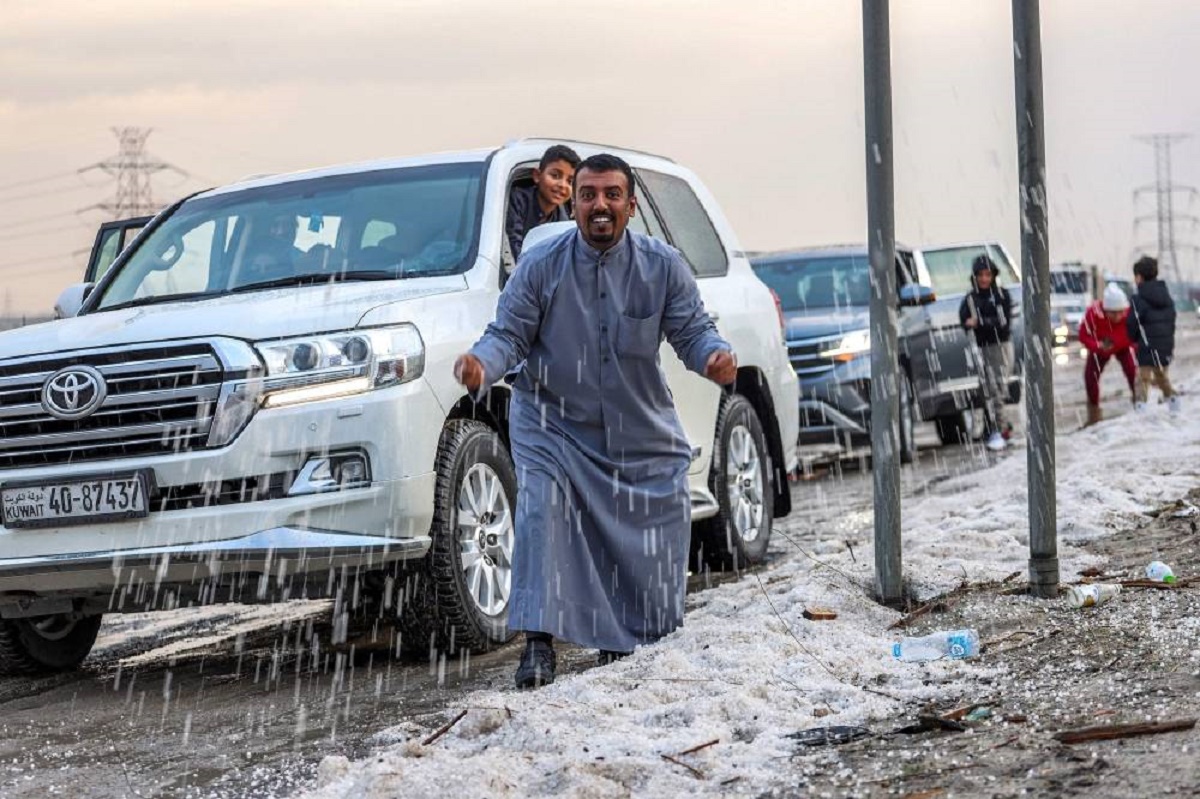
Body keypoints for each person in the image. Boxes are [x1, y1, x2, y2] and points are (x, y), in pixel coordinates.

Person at [454, 153, 736, 689]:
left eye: (611, 195)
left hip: (637, 426)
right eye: (588, 195)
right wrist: (481, 364)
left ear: (631, 205)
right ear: (574, 205)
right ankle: (538, 645)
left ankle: (625, 637)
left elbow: (693, 331)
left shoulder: (663, 265)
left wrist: (713, 357)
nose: (599, 205)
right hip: (552, 422)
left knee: (656, 514)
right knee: (542, 513)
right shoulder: (543, 265)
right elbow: (507, 334)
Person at [958, 253, 1014, 452]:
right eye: (980, 275)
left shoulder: (1001, 295)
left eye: (987, 274)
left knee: (997, 389)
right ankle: (993, 428)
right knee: (985, 390)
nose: (984, 279)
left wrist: (980, 322)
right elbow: (964, 319)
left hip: (999, 348)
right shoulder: (971, 298)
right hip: (979, 349)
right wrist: (972, 324)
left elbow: (1002, 324)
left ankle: (1000, 430)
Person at [505, 144, 580, 260]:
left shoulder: (563, 216)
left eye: (570, 181)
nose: (562, 185)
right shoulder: (519, 200)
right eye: (555, 176)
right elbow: (513, 242)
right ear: (537, 176)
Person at [1126, 255, 1179, 412]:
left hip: (1146, 347)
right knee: (1163, 379)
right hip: (1165, 345)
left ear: (1139, 277)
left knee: (1142, 381)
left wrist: (1135, 338)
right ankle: (1175, 407)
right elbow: (1172, 319)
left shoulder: (1138, 298)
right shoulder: (1166, 296)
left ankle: (1140, 413)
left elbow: (1132, 323)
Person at [1078, 283, 1137, 426]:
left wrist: (1135, 349)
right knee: (1090, 377)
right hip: (1102, 347)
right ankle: (1094, 413)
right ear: (1105, 310)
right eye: (1113, 313)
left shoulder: (1130, 313)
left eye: (1120, 312)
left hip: (1123, 346)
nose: (1118, 316)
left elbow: (1137, 335)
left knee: (1133, 372)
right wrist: (1097, 346)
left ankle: (1139, 402)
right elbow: (1083, 335)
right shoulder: (1093, 313)